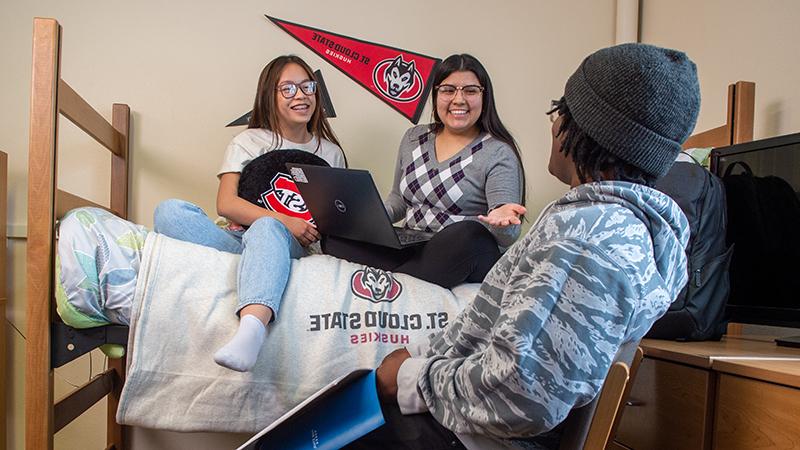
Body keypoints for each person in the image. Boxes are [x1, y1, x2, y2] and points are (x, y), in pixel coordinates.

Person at [345, 43, 699, 449]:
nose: (553, 124)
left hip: (474, 438)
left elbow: (523, 394)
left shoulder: (583, 243)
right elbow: (489, 323)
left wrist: (409, 379)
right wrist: (419, 352)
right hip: (462, 413)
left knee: (313, 434)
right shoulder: (593, 224)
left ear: (583, 129)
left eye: (560, 111)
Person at [153, 55, 346, 372]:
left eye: (307, 86)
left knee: (267, 229)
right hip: (238, 239)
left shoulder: (330, 152)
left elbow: (337, 217)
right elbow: (226, 204)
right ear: (270, 95)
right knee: (169, 212)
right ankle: (259, 265)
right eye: (288, 88)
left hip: (292, 245)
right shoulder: (248, 141)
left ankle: (252, 330)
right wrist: (284, 219)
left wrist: (288, 227)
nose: (301, 95)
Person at [324, 54, 527, 289]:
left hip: (464, 251)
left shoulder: (498, 152)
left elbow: (507, 235)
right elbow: (399, 201)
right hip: (415, 244)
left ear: (484, 96)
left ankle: (401, 277)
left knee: (468, 235)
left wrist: (503, 222)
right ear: (436, 95)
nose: (459, 99)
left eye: (470, 91)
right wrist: (368, 219)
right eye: (448, 90)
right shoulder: (414, 138)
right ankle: (411, 275)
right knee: (335, 238)